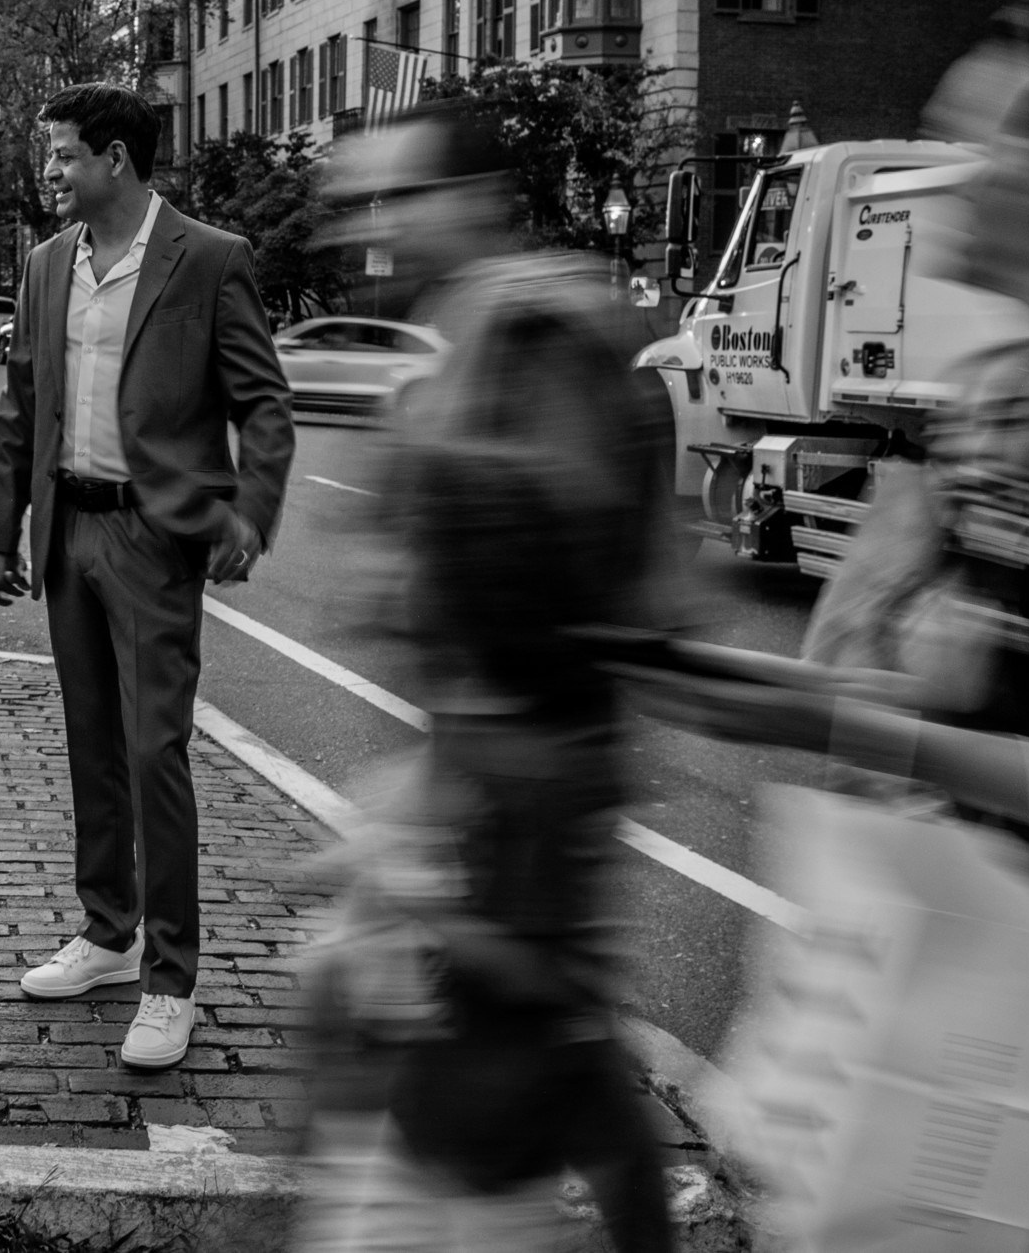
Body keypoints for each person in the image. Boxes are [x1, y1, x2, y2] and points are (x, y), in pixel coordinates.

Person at [636, 15, 1029, 1250]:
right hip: (1024, 1049)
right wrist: (786, 693)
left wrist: (819, 714)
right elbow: (1024, 706)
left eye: (975, 146)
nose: (944, 180)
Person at [296, 105, 678, 1253]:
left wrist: (418, 568)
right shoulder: (473, 322)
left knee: (540, 1030)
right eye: (368, 201)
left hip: (532, 742)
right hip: (472, 737)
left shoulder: (536, 326)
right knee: (388, 1002)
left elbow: (560, 552)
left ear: (478, 199)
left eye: (402, 197)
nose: (380, 225)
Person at [0, 82, 295, 1070]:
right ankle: (107, 935)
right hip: (69, 529)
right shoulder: (42, 265)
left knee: (154, 752)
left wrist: (250, 514)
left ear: (113, 157)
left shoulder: (208, 257)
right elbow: (21, 404)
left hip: (155, 539)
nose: (50, 171)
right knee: (92, 747)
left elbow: (264, 404)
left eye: (63, 154)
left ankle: (170, 978)